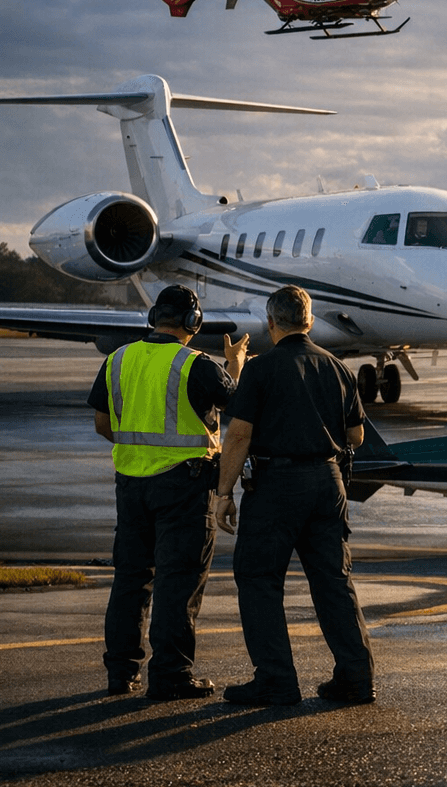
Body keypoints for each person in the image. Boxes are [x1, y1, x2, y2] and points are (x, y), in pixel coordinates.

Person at [215, 285, 375, 705]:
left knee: (259, 580)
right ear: (309, 320)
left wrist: (223, 493)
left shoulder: (261, 369)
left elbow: (239, 437)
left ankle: (277, 680)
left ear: (271, 322)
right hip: (328, 483)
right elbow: (356, 434)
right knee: (334, 584)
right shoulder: (338, 368)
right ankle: (356, 679)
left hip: (276, 487)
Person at [88, 284, 247, 699]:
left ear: (154, 317)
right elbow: (239, 406)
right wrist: (236, 365)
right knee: (178, 581)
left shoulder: (117, 359)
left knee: (131, 580)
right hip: (184, 486)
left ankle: (120, 674)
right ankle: (171, 675)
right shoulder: (197, 364)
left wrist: (139, 452)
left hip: (131, 485)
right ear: (193, 323)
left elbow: (103, 426)